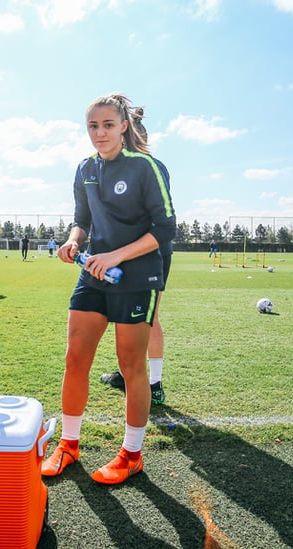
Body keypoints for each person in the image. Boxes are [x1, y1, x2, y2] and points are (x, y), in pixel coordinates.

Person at [41, 93, 175, 485]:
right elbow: (82, 219)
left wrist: (117, 256)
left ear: (124, 127)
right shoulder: (84, 169)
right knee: (75, 358)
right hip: (94, 273)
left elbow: (164, 229)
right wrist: (73, 241)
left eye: (108, 125)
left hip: (138, 277)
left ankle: (131, 454)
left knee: (131, 366)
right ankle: (68, 445)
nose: (100, 133)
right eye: (93, 126)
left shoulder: (147, 167)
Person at [100, 107, 170, 405]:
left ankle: (151, 383)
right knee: (138, 316)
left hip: (143, 250)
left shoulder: (147, 166)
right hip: (137, 249)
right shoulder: (136, 165)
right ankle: (135, 376)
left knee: (144, 317)